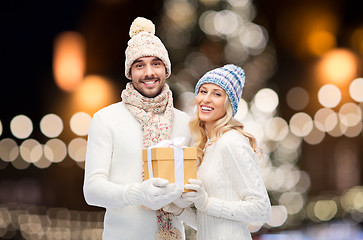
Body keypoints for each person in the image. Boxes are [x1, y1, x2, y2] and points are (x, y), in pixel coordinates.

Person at [83, 17, 192, 240]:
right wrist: (137, 194)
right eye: (139, 65)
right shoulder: (106, 119)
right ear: (129, 73)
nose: (149, 72)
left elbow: (194, 194)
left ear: (166, 70)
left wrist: (184, 200)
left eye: (156, 63)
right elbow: (92, 190)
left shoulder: (185, 123)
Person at [164, 64, 271, 240]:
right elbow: (210, 223)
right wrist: (180, 211)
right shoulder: (207, 146)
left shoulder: (232, 142)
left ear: (228, 104)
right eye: (203, 91)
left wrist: (206, 202)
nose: (206, 99)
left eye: (217, 94)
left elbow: (262, 210)